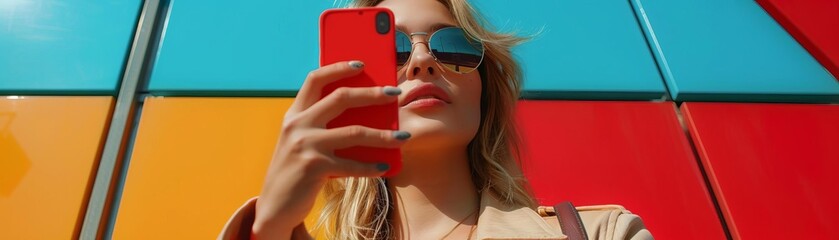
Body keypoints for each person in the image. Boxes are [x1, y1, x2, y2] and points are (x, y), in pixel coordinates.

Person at [220, 0, 653, 239]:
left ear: (484, 87)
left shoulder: (603, 235)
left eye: (454, 46)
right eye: (393, 49)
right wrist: (271, 228)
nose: (424, 60)